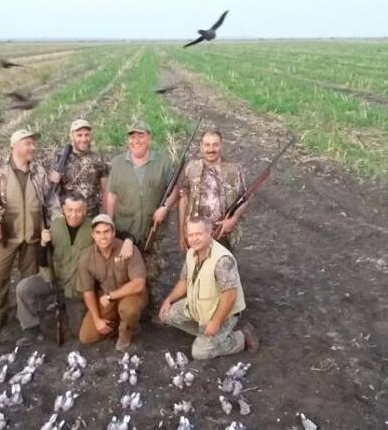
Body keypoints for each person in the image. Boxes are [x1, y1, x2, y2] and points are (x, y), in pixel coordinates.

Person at [0, 128, 59, 333]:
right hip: (6, 234)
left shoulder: (38, 171)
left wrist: (56, 220)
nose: (33, 147)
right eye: (28, 143)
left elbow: (50, 199)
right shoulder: (0, 171)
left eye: (32, 143)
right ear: (15, 147)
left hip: (32, 235)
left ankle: (27, 317)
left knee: (28, 278)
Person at [159, 216, 258, 359]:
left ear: (209, 232)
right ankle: (208, 335)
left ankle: (241, 337)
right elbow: (184, 280)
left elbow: (230, 296)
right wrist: (168, 300)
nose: (194, 239)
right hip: (199, 307)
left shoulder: (222, 260)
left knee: (200, 353)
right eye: (190, 235)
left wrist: (216, 322)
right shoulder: (191, 253)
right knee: (167, 315)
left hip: (222, 314)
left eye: (198, 234)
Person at [15, 192, 93, 344]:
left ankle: (69, 303)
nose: (74, 215)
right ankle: (31, 328)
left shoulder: (93, 229)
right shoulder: (55, 226)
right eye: (70, 210)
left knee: (79, 331)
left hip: (76, 286)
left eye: (78, 210)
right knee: (23, 288)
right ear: (63, 209)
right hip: (53, 278)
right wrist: (43, 244)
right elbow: (42, 261)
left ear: (85, 210)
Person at [77, 214, 147, 351]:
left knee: (129, 309)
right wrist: (97, 320)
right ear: (93, 235)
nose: (103, 237)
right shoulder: (86, 257)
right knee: (86, 336)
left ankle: (126, 332)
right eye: (98, 232)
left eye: (106, 231)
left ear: (114, 232)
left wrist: (111, 296)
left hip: (131, 294)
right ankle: (122, 324)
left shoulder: (128, 249)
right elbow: (88, 291)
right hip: (106, 297)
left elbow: (139, 284)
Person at [106, 121, 175, 252]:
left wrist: (165, 207)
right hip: (124, 232)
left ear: (149, 138)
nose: (136, 141)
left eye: (141, 136)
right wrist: (109, 223)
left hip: (153, 231)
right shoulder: (117, 163)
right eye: (132, 137)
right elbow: (111, 195)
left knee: (152, 270)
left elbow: (174, 188)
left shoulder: (163, 163)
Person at [177, 129, 247, 252]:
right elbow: (183, 199)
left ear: (222, 146)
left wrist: (233, 219)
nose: (211, 149)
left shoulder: (234, 170)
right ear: (201, 147)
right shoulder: (191, 168)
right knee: (195, 269)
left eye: (215, 144)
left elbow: (245, 198)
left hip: (222, 234)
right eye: (207, 145)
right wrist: (182, 233)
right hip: (195, 234)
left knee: (221, 268)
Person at [49, 118, 109, 216]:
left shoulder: (99, 160)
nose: (84, 139)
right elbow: (51, 191)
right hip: (68, 217)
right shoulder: (59, 159)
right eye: (79, 135)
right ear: (71, 136)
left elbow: (105, 190)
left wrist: (106, 215)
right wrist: (52, 180)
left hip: (91, 216)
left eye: (87, 135)